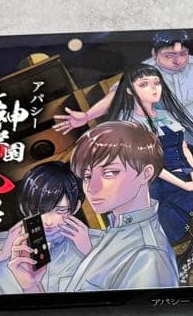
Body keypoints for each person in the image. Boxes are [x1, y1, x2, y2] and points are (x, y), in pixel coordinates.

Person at [100, 64, 193, 278]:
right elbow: (148, 164)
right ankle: (192, 258)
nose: (154, 88)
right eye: (144, 84)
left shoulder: (165, 114)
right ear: (129, 90)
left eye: (156, 83)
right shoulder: (127, 123)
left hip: (186, 179)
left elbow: (184, 148)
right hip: (162, 187)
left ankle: (188, 259)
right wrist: (185, 184)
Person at [52, 121, 179, 292]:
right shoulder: (118, 229)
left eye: (110, 172)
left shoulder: (148, 256)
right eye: (87, 176)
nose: (92, 187)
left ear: (145, 173)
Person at [53, 30, 193, 157]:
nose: (178, 61)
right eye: (169, 55)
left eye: (183, 54)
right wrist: (88, 116)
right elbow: (116, 95)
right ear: (154, 54)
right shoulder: (145, 72)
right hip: (164, 138)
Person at [0, 162, 93, 294]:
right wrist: (1, 254)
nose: (48, 221)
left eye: (60, 211)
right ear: (24, 207)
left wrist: (90, 253)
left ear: (76, 207)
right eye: (39, 210)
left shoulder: (90, 244)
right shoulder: (6, 242)